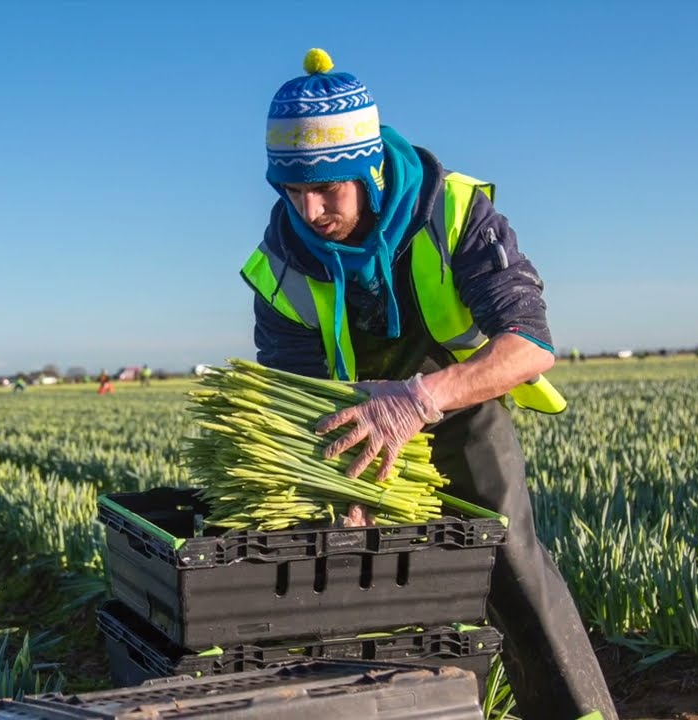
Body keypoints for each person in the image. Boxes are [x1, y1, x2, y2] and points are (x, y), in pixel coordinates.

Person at [243, 49, 616, 720]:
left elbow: (528, 345)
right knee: (365, 591)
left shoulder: (456, 211)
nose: (312, 208)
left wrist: (419, 400)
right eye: (293, 190)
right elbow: (295, 388)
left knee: (514, 567)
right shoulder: (282, 262)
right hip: (356, 436)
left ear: (369, 169)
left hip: (461, 409)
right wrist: (337, 487)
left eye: (328, 187)